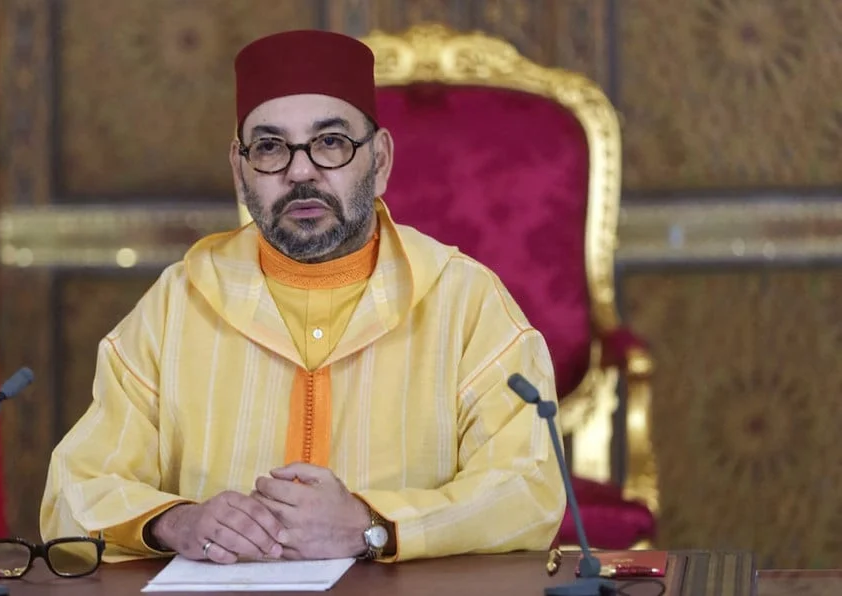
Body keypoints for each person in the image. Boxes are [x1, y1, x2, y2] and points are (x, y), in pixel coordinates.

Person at [39, 29, 566, 565]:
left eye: (331, 142)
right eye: (270, 147)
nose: (300, 171)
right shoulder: (178, 304)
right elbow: (74, 490)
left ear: (380, 161)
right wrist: (174, 521)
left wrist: (374, 526)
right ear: (240, 170)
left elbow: (529, 489)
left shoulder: (464, 301)